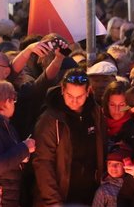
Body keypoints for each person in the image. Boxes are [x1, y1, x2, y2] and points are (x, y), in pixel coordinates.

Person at [32, 70, 105, 205]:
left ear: (88, 91)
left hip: (89, 195)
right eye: (70, 95)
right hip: (61, 196)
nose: (75, 101)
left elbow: (101, 147)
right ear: (62, 90)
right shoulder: (50, 119)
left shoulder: (95, 112)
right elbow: (42, 163)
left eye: (80, 96)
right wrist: (53, 202)